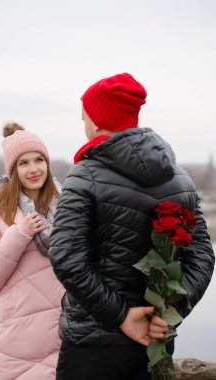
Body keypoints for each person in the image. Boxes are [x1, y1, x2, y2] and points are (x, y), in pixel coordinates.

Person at [49, 73, 215, 380]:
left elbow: (65, 258)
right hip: (154, 342)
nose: (83, 123)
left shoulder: (85, 175)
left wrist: (122, 316)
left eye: (84, 115)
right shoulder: (179, 178)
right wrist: (169, 312)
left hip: (92, 344)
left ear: (97, 120)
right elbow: (202, 254)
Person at [0, 123, 64, 380]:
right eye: (23, 163)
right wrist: (20, 233)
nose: (34, 169)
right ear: (12, 171)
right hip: (17, 344)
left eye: (39, 160)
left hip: (66, 336)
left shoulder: (67, 204)